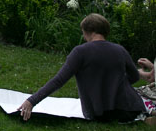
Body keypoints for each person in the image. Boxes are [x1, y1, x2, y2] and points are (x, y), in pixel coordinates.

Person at [18, 14, 146, 122]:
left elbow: (59, 80)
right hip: (130, 109)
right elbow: (134, 76)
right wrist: (114, 84)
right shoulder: (120, 50)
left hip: (99, 114)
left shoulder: (80, 52)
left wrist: (31, 101)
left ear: (87, 31)